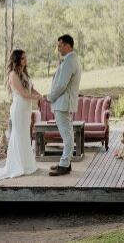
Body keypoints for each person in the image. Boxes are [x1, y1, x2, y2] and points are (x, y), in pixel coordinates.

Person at [0, 49, 42, 180]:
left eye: (25, 58)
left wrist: (40, 95)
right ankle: (16, 165)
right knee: (18, 134)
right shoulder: (13, 75)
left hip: (26, 108)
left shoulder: (24, 73)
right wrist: (37, 98)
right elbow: (23, 93)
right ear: (16, 60)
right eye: (22, 58)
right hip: (19, 107)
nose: (25, 60)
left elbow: (31, 88)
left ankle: (27, 164)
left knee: (24, 135)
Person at [46, 34, 82, 177]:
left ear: (67, 45)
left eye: (60, 45)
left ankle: (64, 164)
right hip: (63, 103)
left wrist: (50, 97)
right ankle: (65, 162)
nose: (58, 48)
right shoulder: (71, 60)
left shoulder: (69, 61)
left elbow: (61, 84)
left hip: (62, 103)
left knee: (66, 135)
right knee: (67, 134)